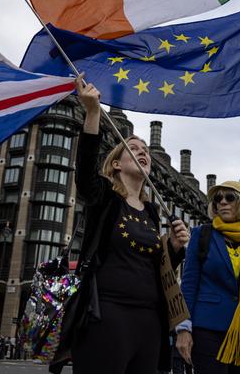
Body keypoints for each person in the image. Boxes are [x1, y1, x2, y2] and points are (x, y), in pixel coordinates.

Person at [55, 76, 189, 374]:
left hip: (150, 320)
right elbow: (85, 173)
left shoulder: (153, 212)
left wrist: (176, 248)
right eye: (133, 148)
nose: (143, 152)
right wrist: (92, 113)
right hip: (107, 314)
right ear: (116, 163)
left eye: (145, 150)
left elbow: (159, 264)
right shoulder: (104, 197)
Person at [175, 178, 240, 373]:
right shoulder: (202, 234)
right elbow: (188, 284)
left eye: (229, 197)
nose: (222, 202)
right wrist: (184, 328)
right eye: (217, 199)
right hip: (208, 330)